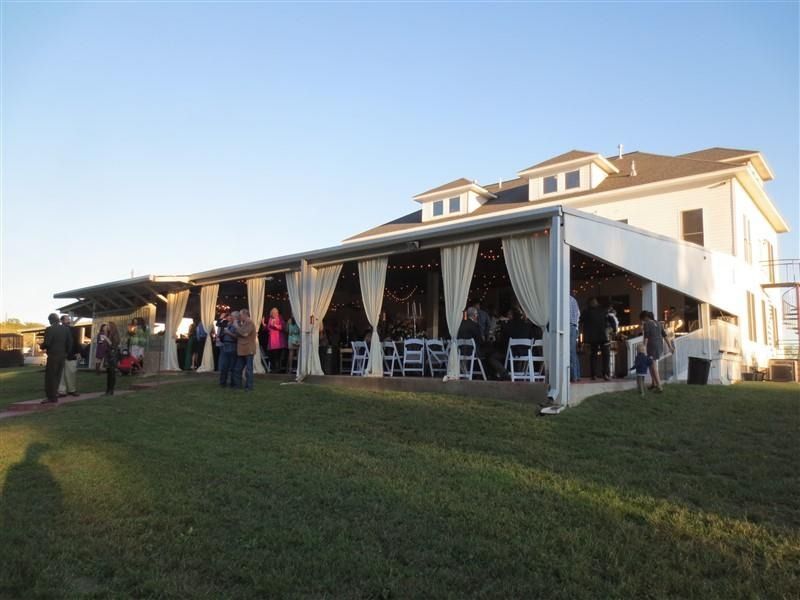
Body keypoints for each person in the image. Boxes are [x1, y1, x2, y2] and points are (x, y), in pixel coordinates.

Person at [457, 307, 508, 380]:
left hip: (461, 351)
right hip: (473, 352)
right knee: (492, 352)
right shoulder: (474, 325)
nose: (477, 316)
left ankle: (490, 373)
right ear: (474, 315)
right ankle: (495, 373)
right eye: (477, 314)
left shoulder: (460, 324)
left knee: (488, 353)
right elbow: (480, 341)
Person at [41, 313, 72, 403]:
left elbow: (47, 343)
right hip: (62, 356)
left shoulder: (49, 329)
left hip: (53, 356)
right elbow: (70, 343)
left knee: (50, 376)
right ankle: (54, 396)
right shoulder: (66, 329)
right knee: (58, 376)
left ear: (51, 320)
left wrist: (41, 346)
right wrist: (66, 353)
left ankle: (50, 397)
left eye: (49, 320)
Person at [641, 310, 673, 392]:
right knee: (651, 364)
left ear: (646, 317)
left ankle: (659, 386)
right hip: (659, 346)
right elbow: (665, 335)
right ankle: (653, 384)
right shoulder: (659, 323)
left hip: (652, 347)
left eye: (643, 319)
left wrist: (644, 348)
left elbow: (646, 337)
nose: (642, 321)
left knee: (653, 366)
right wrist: (670, 346)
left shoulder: (647, 324)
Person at [581, 298, 612, 381]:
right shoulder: (603, 310)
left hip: (593, 337)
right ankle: (605, 374)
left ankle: (595, 374)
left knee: (594, 355)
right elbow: (610, 320)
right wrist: (613, 329)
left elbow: (581, 321)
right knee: (605, 355)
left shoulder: (586, 311)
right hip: (602, 336)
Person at [231, 308, 257, 391]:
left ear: (245, 315)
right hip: (242, 350)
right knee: (237, 369)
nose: (239, 317)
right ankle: (238, 386)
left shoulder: (250, 323)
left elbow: (245, 333)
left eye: (240, 315)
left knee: (248, 370)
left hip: (248, 349)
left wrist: (236, 327)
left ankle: (249, 387)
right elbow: (240, 333)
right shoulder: (244, 323)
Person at [57, 315, 82, 397]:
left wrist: (78, 352)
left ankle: (72, 390)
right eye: (67, 319)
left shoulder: (74, 330)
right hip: (60, 355)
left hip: (71, 355)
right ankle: (62, 391)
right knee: (61, 375)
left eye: (69, 319)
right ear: (62, 321)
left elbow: (77, 342)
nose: (68, 320)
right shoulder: (58, 329)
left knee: (71, 373)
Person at [218, 311, 238, 387]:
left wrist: (228, 333)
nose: (230, 317)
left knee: (232, 366)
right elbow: (218, 324)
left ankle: (232, 383)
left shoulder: (237, 326)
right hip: (225, 346)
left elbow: (238, 337)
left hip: (232, 346)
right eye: (230, 316)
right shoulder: (227, 324)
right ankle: (222, 382)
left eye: (231, 316)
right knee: (224, 366)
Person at [266, 307, 287, 372]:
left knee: (277, 356)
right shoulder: (270, 319)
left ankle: (278, 369)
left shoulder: (280, 318)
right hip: (271, 341)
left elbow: (283, 327)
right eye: (273, 313)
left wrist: (275, 325)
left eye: (275, 313)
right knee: (271, 355)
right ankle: (274, 368)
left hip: (278, 341)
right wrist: (264, 326)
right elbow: (268, 328)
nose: (274, 314)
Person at [105, 322, 121, 395]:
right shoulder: (108, 334)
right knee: (109, 373)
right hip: (109, 355)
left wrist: (106, 339)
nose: (106, 326)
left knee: (112, 373)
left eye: (108, 325)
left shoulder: (115, 334)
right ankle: (108, 390)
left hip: (113, 355)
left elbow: (114, 345)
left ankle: (111, 390)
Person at [569, 295, 581, 382]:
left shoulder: (562, 299)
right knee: (572, 351)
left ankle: (574, 376)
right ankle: (576, 375)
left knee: (570, 351)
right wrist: (577, 328)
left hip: (568, 325)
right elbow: (578, 314)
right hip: (573, 326)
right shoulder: (573, 299)